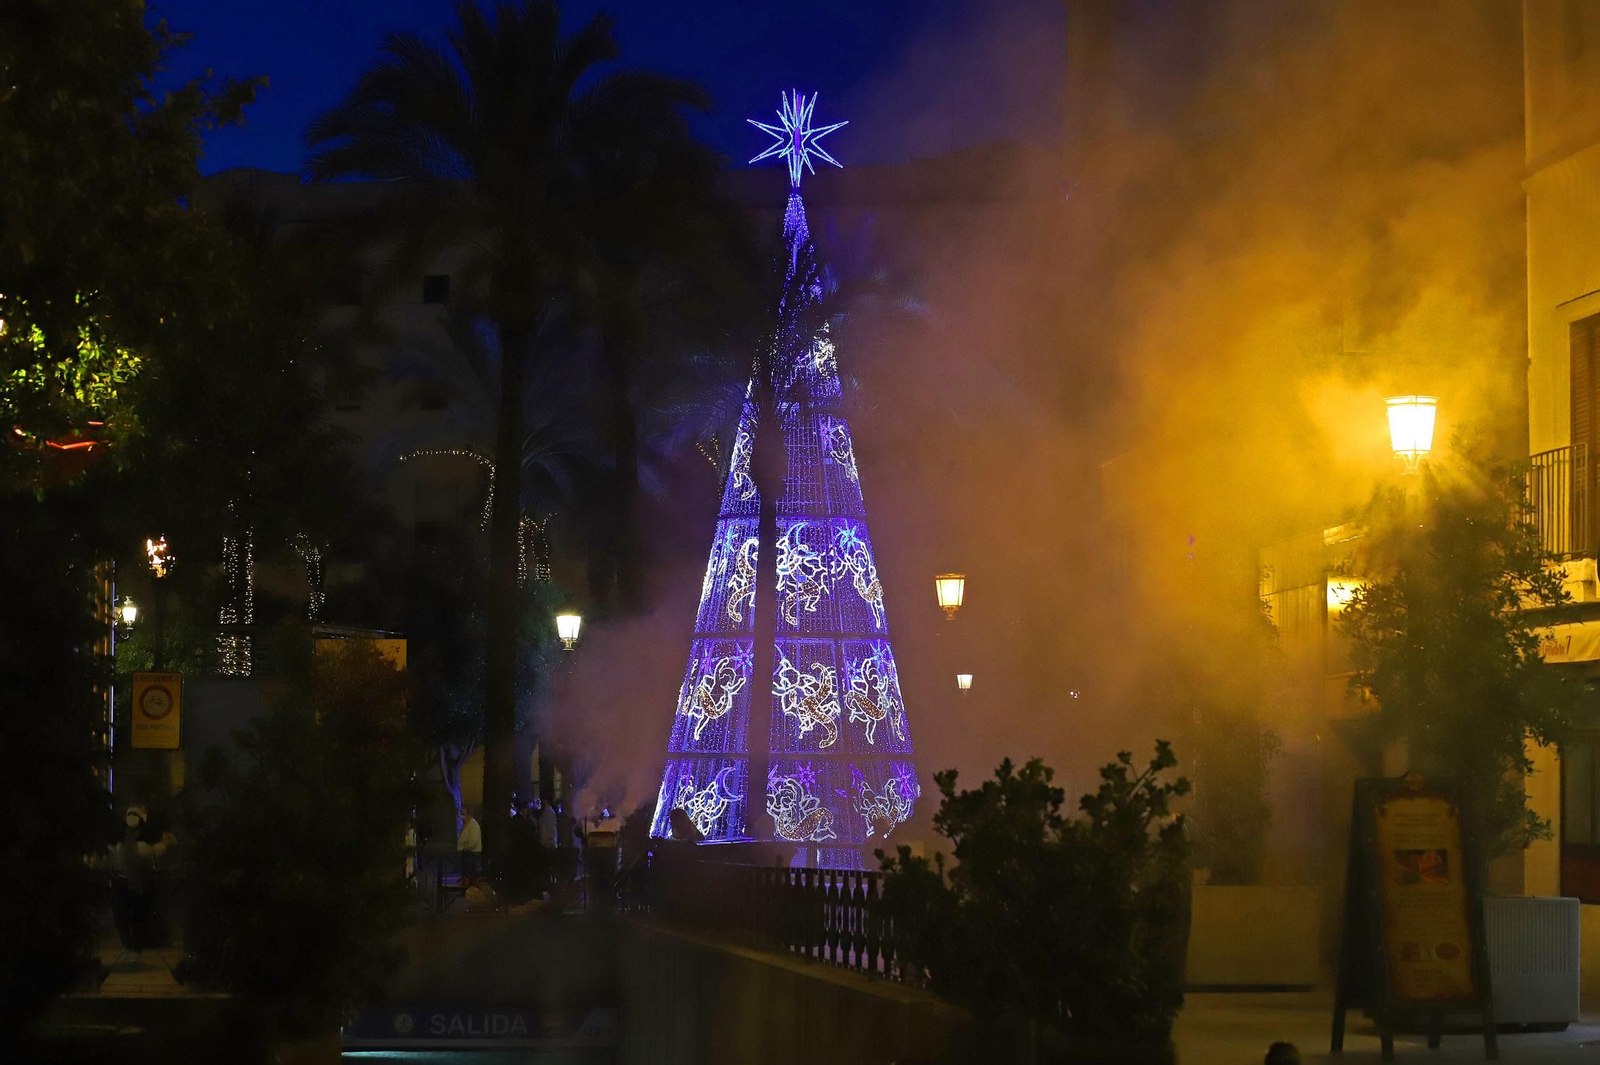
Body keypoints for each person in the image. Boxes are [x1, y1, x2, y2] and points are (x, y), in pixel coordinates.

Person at [457, 805, 483, 883]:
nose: (462, 816)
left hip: (472, 853)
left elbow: (473, 841)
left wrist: (465, 848)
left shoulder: (473, 825)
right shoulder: (466, 825)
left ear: (469, 814)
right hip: (466, 853)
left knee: (470, 872)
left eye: (464, 814)